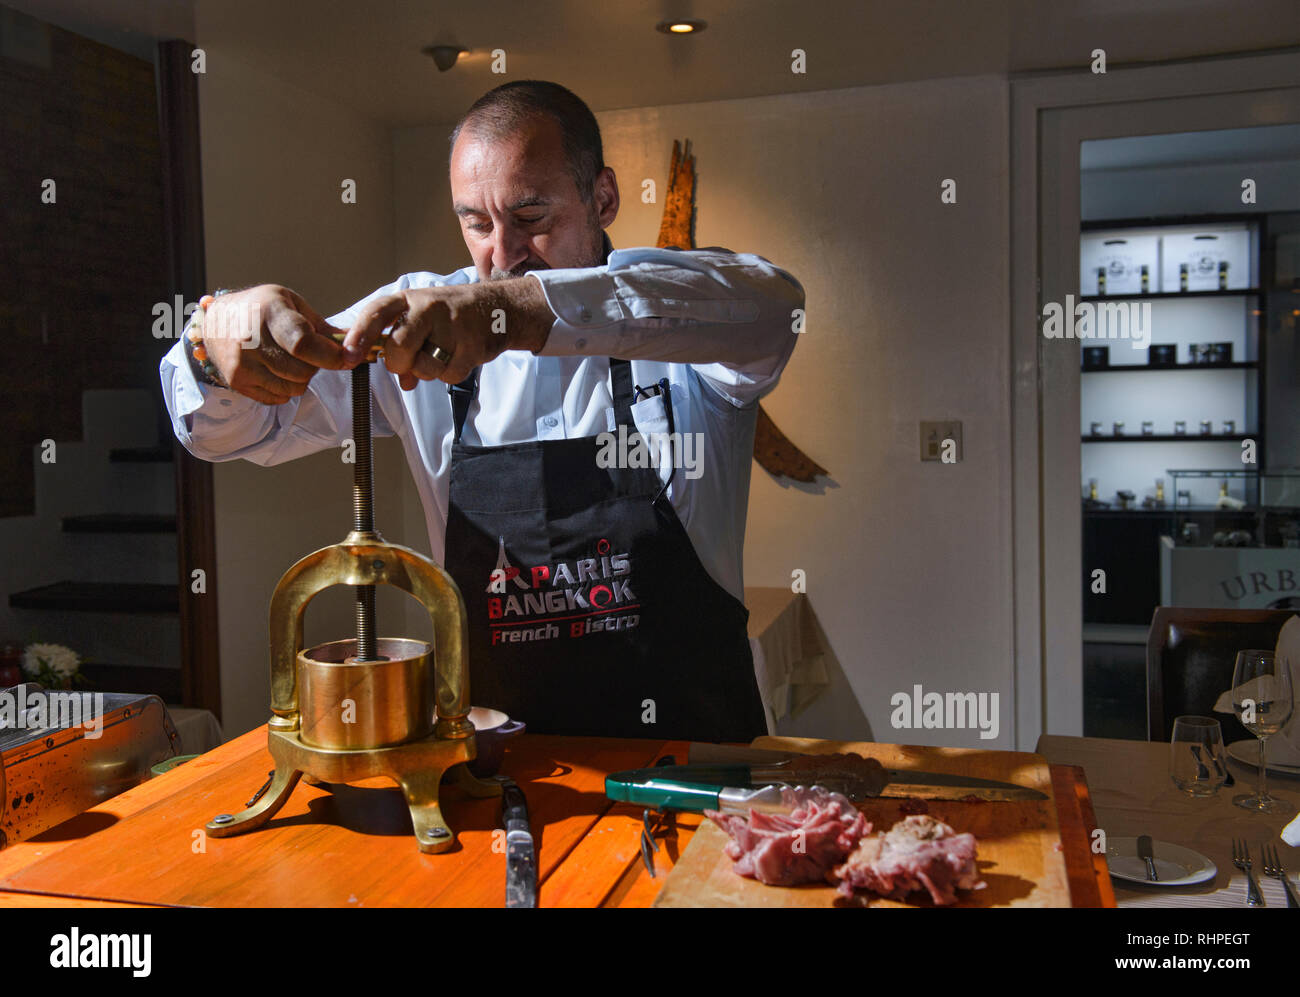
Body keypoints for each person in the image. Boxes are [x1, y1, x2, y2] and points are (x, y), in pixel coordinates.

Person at [160, 80, 803, 742]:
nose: (502, 254)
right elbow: (231, 432)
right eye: (476, 222)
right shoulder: (420, 318)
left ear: (603, 198)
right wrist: (217, 344)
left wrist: (511, 316)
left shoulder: (676, 320)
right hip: (508, 780)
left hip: (700, 773)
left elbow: (775, 308)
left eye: (531, 217)